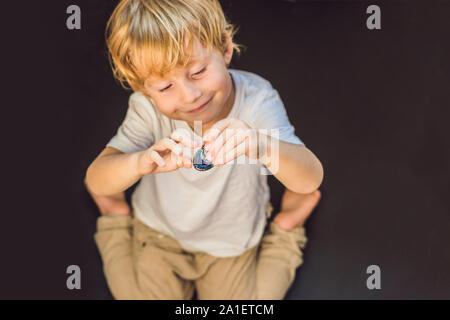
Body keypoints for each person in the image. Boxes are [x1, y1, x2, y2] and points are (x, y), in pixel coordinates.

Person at [84, 0, 323, 300]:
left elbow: (310, 179)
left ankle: (288, 227)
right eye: (165, 88)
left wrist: (260, 145)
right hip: (159, 235)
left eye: (197, 71)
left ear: (225, 48)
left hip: (230, 244)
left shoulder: (257, 100)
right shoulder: (146, 109)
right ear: (143, 88)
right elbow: (96, 180)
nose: (190, 95)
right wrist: (138, 163)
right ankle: (115, 217)